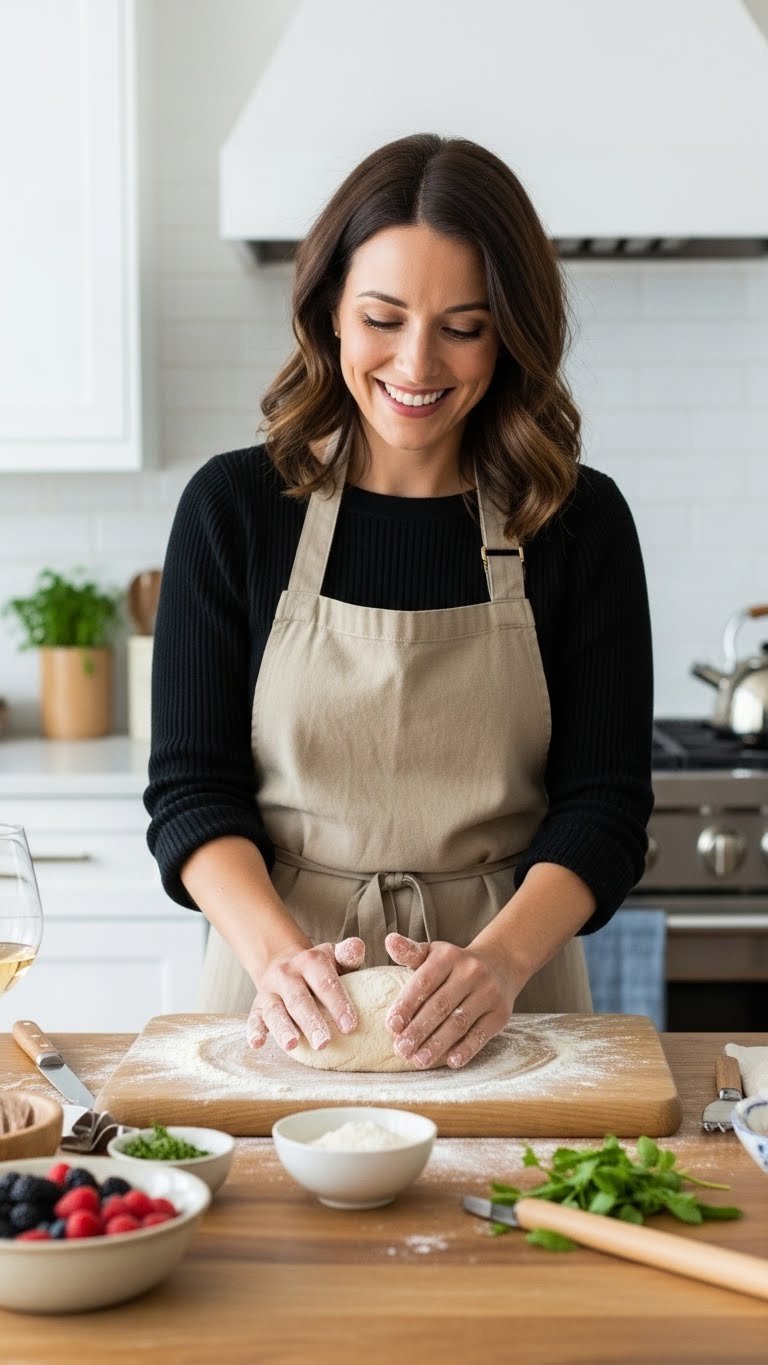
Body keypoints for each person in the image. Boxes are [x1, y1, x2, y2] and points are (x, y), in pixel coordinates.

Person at [145, 133, 653, 1072]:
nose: (418, 365)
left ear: (510, 335)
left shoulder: (580, 522)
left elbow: (606, 804)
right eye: (383, 317)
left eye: (463, 327)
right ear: (329, 309)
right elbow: (190, 789)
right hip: (282, 999)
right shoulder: (234, 511)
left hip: (509, 1006)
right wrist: (277, 958)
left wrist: (499, 964)